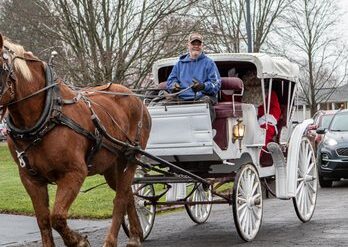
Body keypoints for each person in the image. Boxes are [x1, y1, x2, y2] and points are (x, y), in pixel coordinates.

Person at [166, 32, 221, 121]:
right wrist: (174, 86)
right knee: (164, 105)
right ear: (188, 45)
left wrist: (202, 86)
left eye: (198, 44)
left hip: (202, 97)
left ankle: (205, 132)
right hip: (182, 98)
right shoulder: (179, 64)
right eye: (193, 43)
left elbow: (216, 84)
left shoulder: (209, 63)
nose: (196, 46)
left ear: (202, 46)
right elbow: (170, 82)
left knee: (204, 104)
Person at [258, 84, 281, 150]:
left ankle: (259, 155)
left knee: (265, 131)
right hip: (247, 121)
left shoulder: (270, 94)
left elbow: (275, 111)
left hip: (266, 121)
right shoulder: (244, 94)